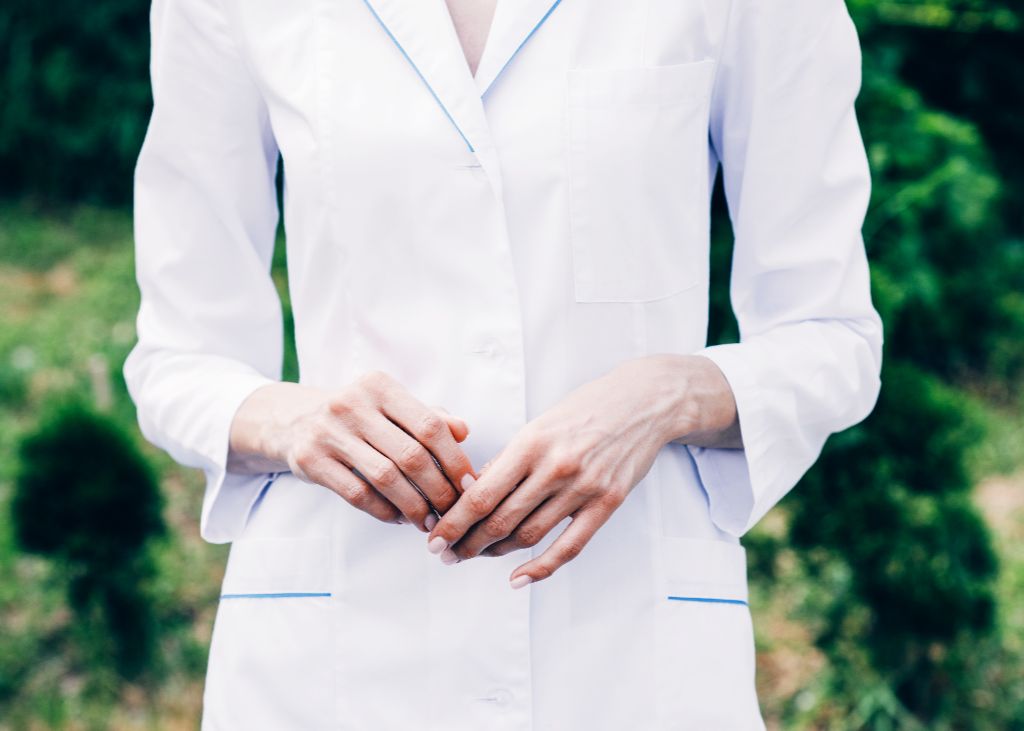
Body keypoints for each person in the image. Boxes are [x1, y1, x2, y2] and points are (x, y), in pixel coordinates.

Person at [123, 0, 883, 728]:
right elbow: (179, 356)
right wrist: (295, 422)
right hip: (335, 642)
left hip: (625, 641)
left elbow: (830, 335)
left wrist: (668, 393)